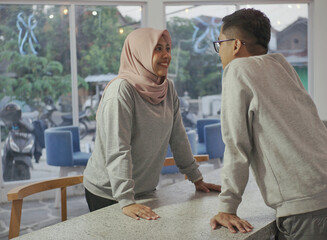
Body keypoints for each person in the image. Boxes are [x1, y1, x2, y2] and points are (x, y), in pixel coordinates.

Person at [209, 8, 327, 239]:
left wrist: (226, 208)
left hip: (303, 207)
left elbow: (236, 145)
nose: (219, 51)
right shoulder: (282, 65)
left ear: (235, 45)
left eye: (220, 43)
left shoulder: (237, 69)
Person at [83, 28, 221, 221]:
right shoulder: (121, 91)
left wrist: (196, 178)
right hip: (108, 192)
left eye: (168, 48)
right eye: (157, 49)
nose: (166, 55)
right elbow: (118, 148)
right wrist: (126, 199)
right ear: (140, 53)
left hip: (142, 189)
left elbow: (178, 135)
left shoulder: (166, 87)